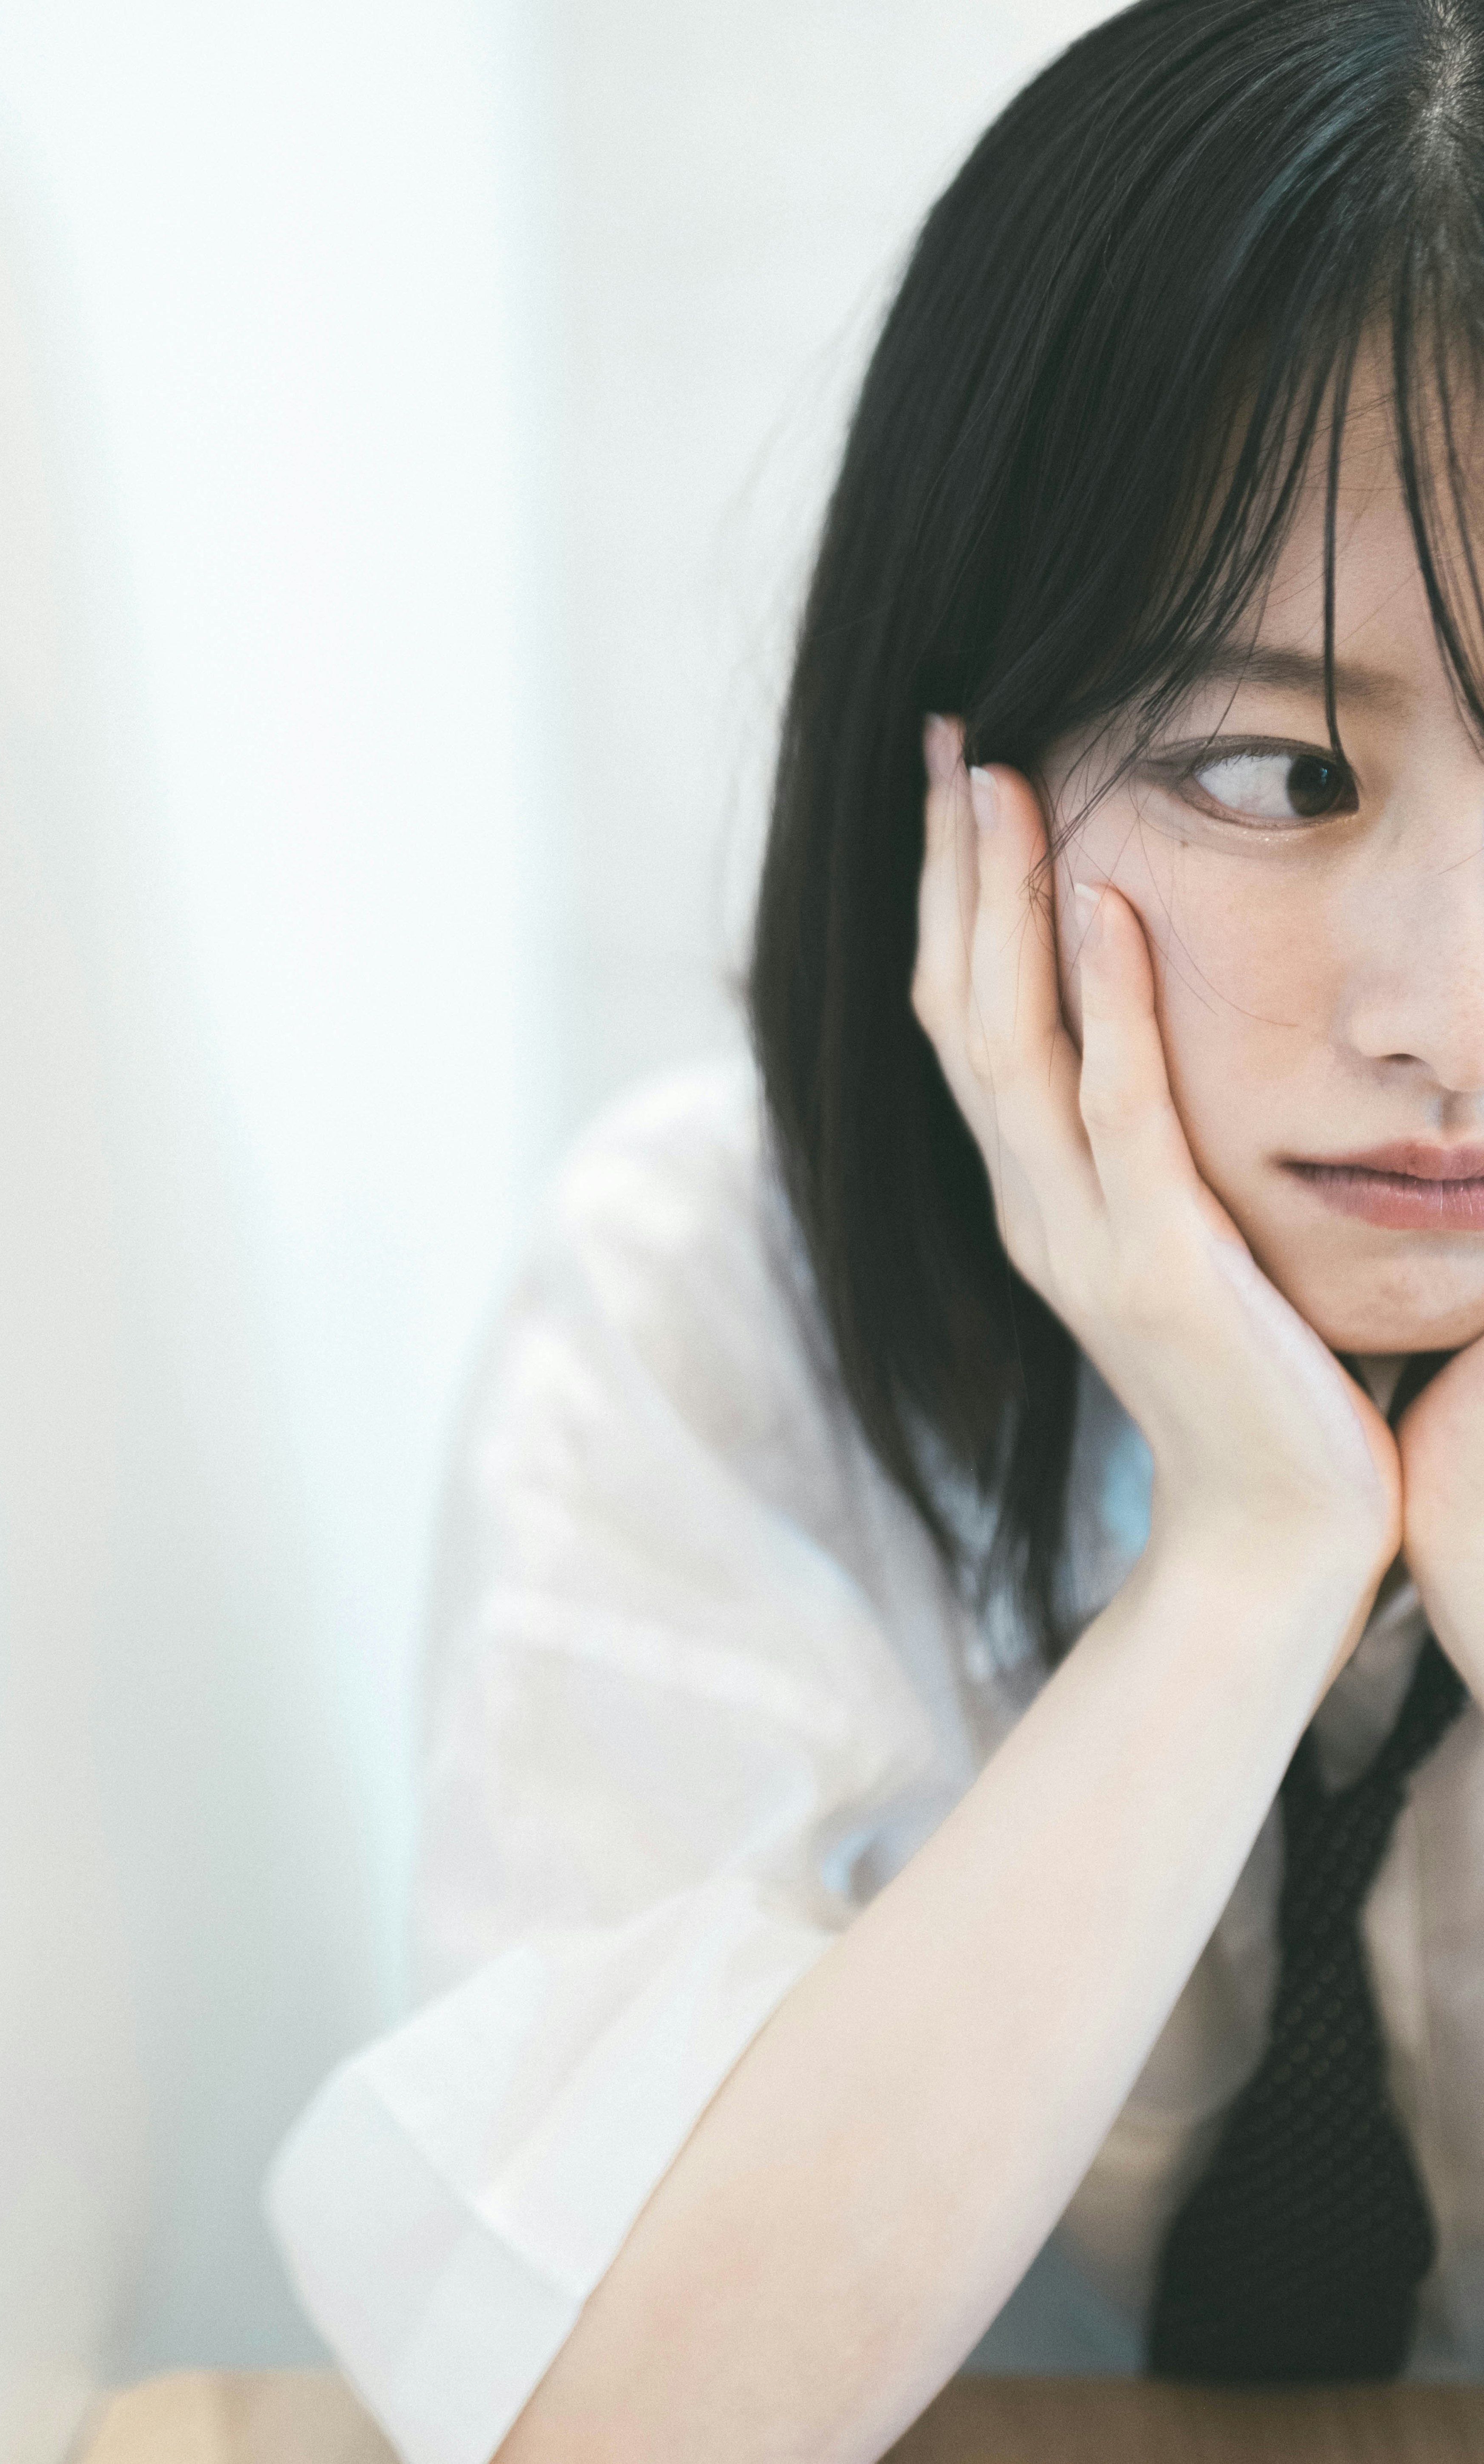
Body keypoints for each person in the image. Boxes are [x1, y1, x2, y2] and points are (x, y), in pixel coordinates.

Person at [266, 2, 1484, 2456]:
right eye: (1279, 770)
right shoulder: (708, 1300)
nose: (1449, 1009)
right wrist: (1248, 1569)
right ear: (963, 794)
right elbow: (609, 2430)